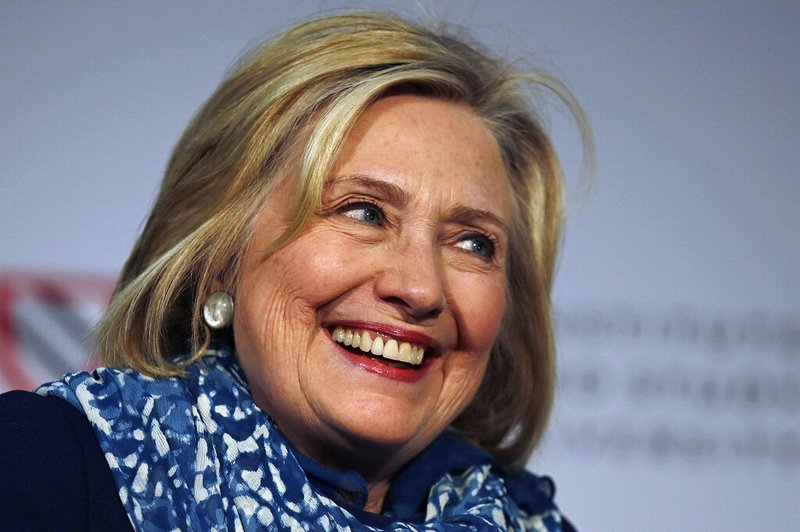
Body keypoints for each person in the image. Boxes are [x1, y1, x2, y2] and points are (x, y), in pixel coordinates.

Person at [0, 11, 588, 530]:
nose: (420, 287)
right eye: (364, 212)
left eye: (473, 243)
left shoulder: (528, 521)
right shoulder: (39, 464)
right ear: (220, 254)